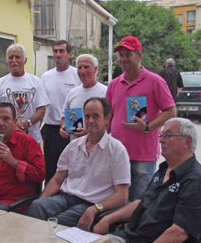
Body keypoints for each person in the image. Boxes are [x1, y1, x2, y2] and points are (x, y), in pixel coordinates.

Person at [28, 97, 130, 230]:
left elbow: (122, 196)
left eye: (96, 116)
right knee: (37, 206)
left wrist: (95, 209)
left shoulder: (117, 150)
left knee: (57, 223)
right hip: (65, 198)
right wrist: (42, 200)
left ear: (107, 119)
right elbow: (56, 181)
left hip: (91, 203)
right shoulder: (73, 146)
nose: (90, 120)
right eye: (87, 116)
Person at [106, 36, 176, 203]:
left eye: (128, 54)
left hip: (143, 156)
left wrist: (147, 126)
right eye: (121, 55)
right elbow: (109, 115)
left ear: (139, 56)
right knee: (118, 202)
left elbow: (171, 111)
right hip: (117, 154)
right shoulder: (114, 84)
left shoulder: (155, 81)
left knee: (141, 204)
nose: (123, 59)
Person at [0, 43, 49, 144]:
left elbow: (42, 110)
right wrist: (11, 125)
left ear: (25, 60)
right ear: (7, 60)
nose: (14, 60)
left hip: (32, 138)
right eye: (10, 57)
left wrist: (27, 123)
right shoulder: (0, 83)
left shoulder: (36, 81)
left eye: (17, 57)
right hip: (8, 139)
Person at [41, 40, 81, 183]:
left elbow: (81, 100)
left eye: (61, 51)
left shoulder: (77, 74)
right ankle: (49, 199)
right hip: (50, 129)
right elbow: (42, 104)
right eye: (55, 51)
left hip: (70, 129)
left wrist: (73, 128)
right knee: (50, 169)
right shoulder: (46, 76)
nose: (58, 54)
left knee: (70, 168)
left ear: (69, 54)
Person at [60, 54, 107, 140]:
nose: (82, 71)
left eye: (86, 67)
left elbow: (110, 121)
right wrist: (64, 128)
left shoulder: (105, 92)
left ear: (95, 69)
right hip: (76, 147)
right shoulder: (72, 93)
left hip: (99, 146)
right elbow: (64, 116)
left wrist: (89, 131)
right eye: (79, 67)